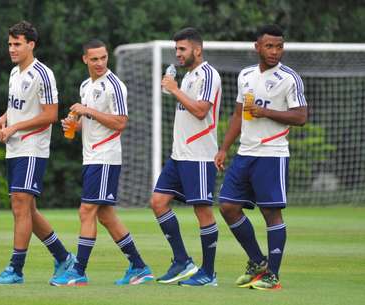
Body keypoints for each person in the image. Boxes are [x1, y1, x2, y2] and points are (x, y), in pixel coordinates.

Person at [51, 39, 153, 286]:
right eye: (94, 59)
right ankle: (139, 267)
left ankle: (79, 272)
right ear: (85, 59)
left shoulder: (115, 86)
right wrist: (75, 125)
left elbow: (120, 122)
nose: (99, 63)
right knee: (106, 216)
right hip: (92, 156)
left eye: (103, 58)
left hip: (106, 157)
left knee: (86, 211)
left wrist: (88, 112)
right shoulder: (86, 85)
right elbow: (91, 122)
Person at [215, 24, 308, 290]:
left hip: (272, 154)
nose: (275, 52)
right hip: (245, 152)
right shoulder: (245, 75)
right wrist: (224, 148)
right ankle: (257, 262)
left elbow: (301, 116)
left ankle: (273, 275)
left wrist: (267, 113)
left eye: (279, 46)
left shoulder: (289, 78)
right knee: (228, 206)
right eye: (269, 46)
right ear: (257, 47)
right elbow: (238, 115)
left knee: (271, 213)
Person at [0, 21, 74, 285]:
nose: (12, 49)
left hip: (32, 148)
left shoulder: (43, 74)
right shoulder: (15, 73)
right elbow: (17, 108)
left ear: (31, 45)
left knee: (20, 206)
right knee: (28, 210)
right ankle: (63, 257)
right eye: (10, 44)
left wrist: (14, 126)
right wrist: (2, 120)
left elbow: (50, 115)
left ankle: (16, 269)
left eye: (17, 44)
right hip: (15, 148)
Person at [151, 27, 222, 286]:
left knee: (202, 211)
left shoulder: (208, 74)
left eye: (182, 49)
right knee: (158, 202)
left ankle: (209, 273)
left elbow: (201, 111)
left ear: (197, 49)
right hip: (179, 155)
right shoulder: (190, 76)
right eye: (176, 49)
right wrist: (177, 87)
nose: (178, 54)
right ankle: (182, 261)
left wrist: (174, 88)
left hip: (200, 155)